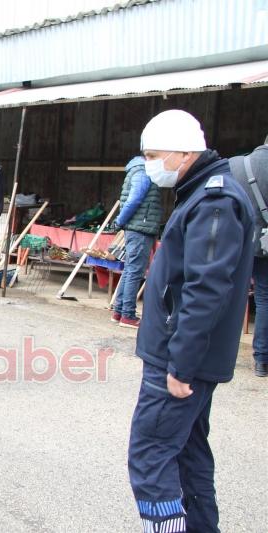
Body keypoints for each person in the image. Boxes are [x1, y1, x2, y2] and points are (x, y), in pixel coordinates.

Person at [128, 110, 254, 532]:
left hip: (178, 359)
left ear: (185, 153)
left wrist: (181, 363)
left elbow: (205, 290)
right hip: (184, 355)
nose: (150, 164)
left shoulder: (214, 201)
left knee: (151, 454)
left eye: (153, 155)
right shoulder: (200, 192)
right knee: (187, 452)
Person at [230, 135, 268, 377]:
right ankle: (261, 360)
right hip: (266, 245)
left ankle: (218, 351)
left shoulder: (235, 165)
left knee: (228, 294)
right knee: (264, 298)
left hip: (237, 240)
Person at [111, 156, 163, 329]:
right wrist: (120, 221)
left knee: (129, 270)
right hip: (140, 229)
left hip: (137, 227)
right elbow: (134, 199)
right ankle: (128, 315)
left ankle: (119, 311)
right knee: (134, 272)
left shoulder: (137, 170)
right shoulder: (143, 172)